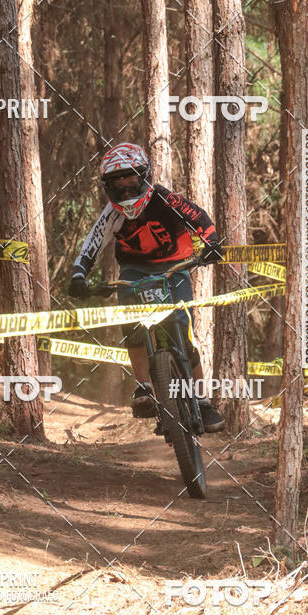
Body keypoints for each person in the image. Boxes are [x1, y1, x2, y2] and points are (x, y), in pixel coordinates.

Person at [68, 142, 225, 433]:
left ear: (145, 177)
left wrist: (212, 242)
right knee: (132, 326)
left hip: (174, 267)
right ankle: (143, 388)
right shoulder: (112, 214)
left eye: (131, 182)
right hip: (134, 272)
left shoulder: (165, 199)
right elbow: (91, 244)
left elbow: (198, 217)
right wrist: (79, 274)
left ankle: (203, 403)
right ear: (108, 187)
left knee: (184, 329)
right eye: (119, 185)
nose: (126, 192)